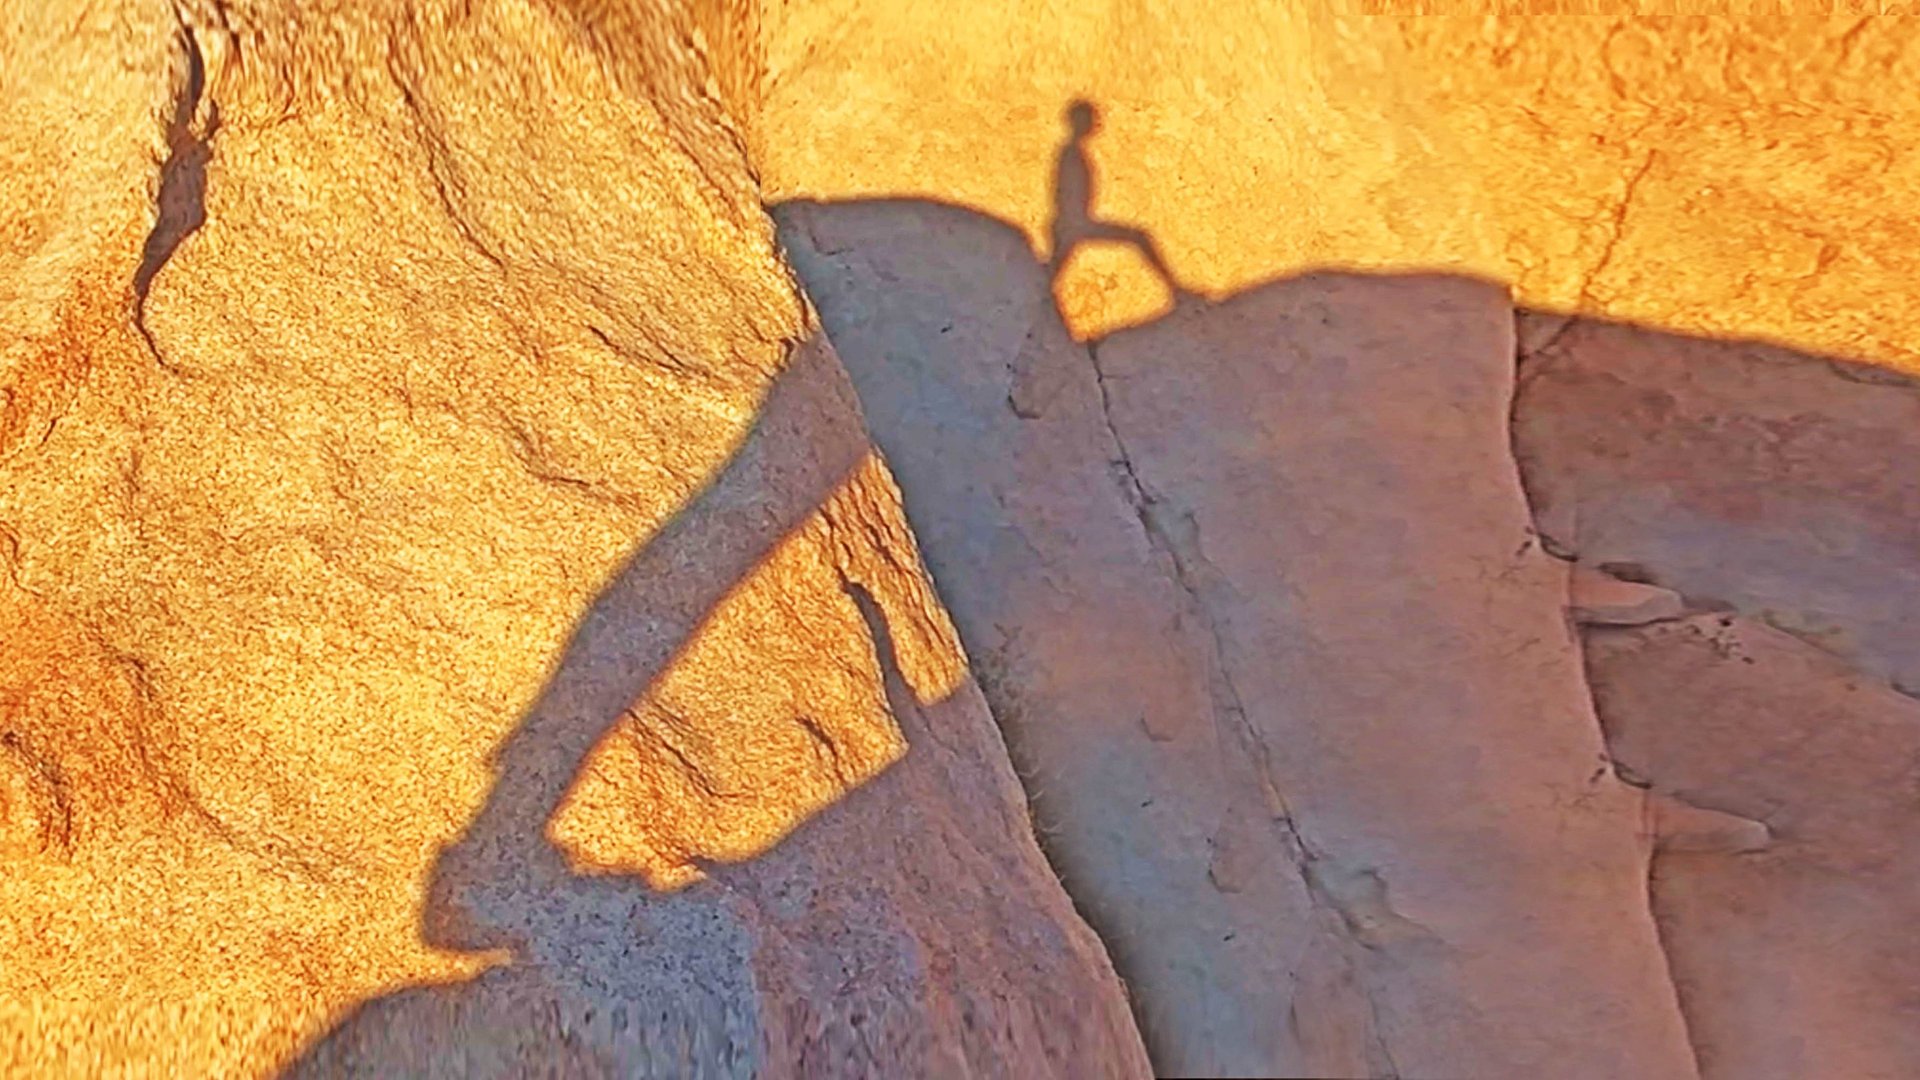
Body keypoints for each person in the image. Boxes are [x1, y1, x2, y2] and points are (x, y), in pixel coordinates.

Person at [1047, 99, 1182, 297]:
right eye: (1091, 119)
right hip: (1074, 224)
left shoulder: (1073, 153)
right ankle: (1175, 289)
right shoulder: (1072, 155)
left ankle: (1174, 288)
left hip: (1072, 223)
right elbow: (1065, 195)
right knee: (1140, 237)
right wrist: (1072, 225)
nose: (1096, 123)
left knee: (1051, 274)